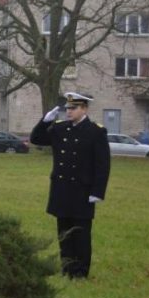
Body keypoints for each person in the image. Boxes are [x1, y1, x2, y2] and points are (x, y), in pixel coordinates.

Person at [29, 92, 110, 279]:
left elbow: (102, 165)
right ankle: (67, 268)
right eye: (67, 108)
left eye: (73, 108)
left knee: (81, 233)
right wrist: (45, 122)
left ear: (84, 109)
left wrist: (98, 191)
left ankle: (81, 271)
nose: (69, 112)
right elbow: (36, 139)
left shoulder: (96, 132)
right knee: (64, 232)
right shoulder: (60, 128)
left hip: (83, 190)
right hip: (62, 189)